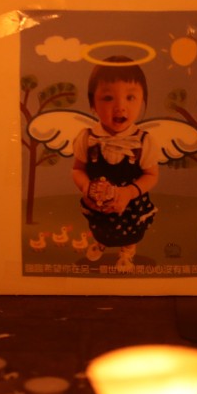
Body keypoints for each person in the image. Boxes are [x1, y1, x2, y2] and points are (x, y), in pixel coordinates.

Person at [72, 56, 163, 273]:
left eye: (130, 97)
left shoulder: (143, 141)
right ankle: (100, 243)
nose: (120, 107)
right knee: (100, 227)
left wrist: (129, 192)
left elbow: (151, 175)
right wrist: (86, 187)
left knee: (130, 232)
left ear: (142, 100)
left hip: (131, 205)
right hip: (98, 202)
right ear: (93, 103)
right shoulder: (87, 137)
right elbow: (78, 169)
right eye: (108, 98)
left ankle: (127, 252)